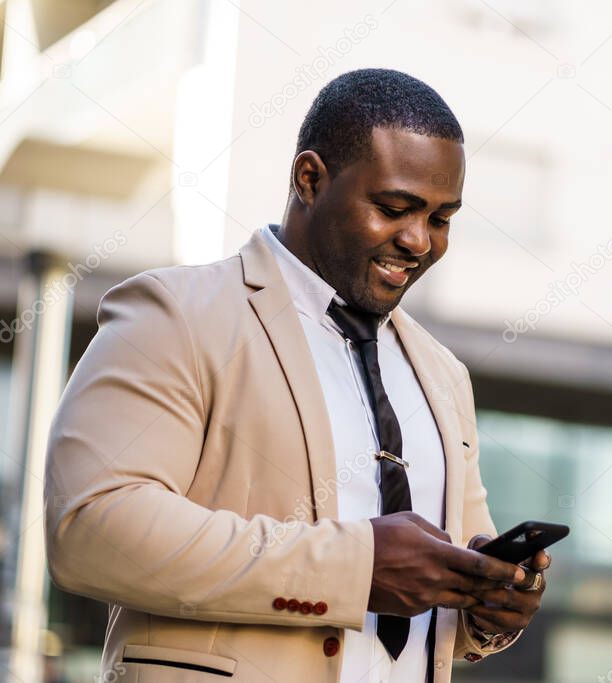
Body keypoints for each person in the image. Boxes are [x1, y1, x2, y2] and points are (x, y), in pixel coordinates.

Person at [44, 68, 548, 683]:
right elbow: (92, 528)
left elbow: (444, 592)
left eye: (442, 219)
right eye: (394, 208)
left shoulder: (443, 374)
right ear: (309, 179)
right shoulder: (176, 315)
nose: (420, 241)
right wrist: (354, 566)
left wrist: (491, 606)